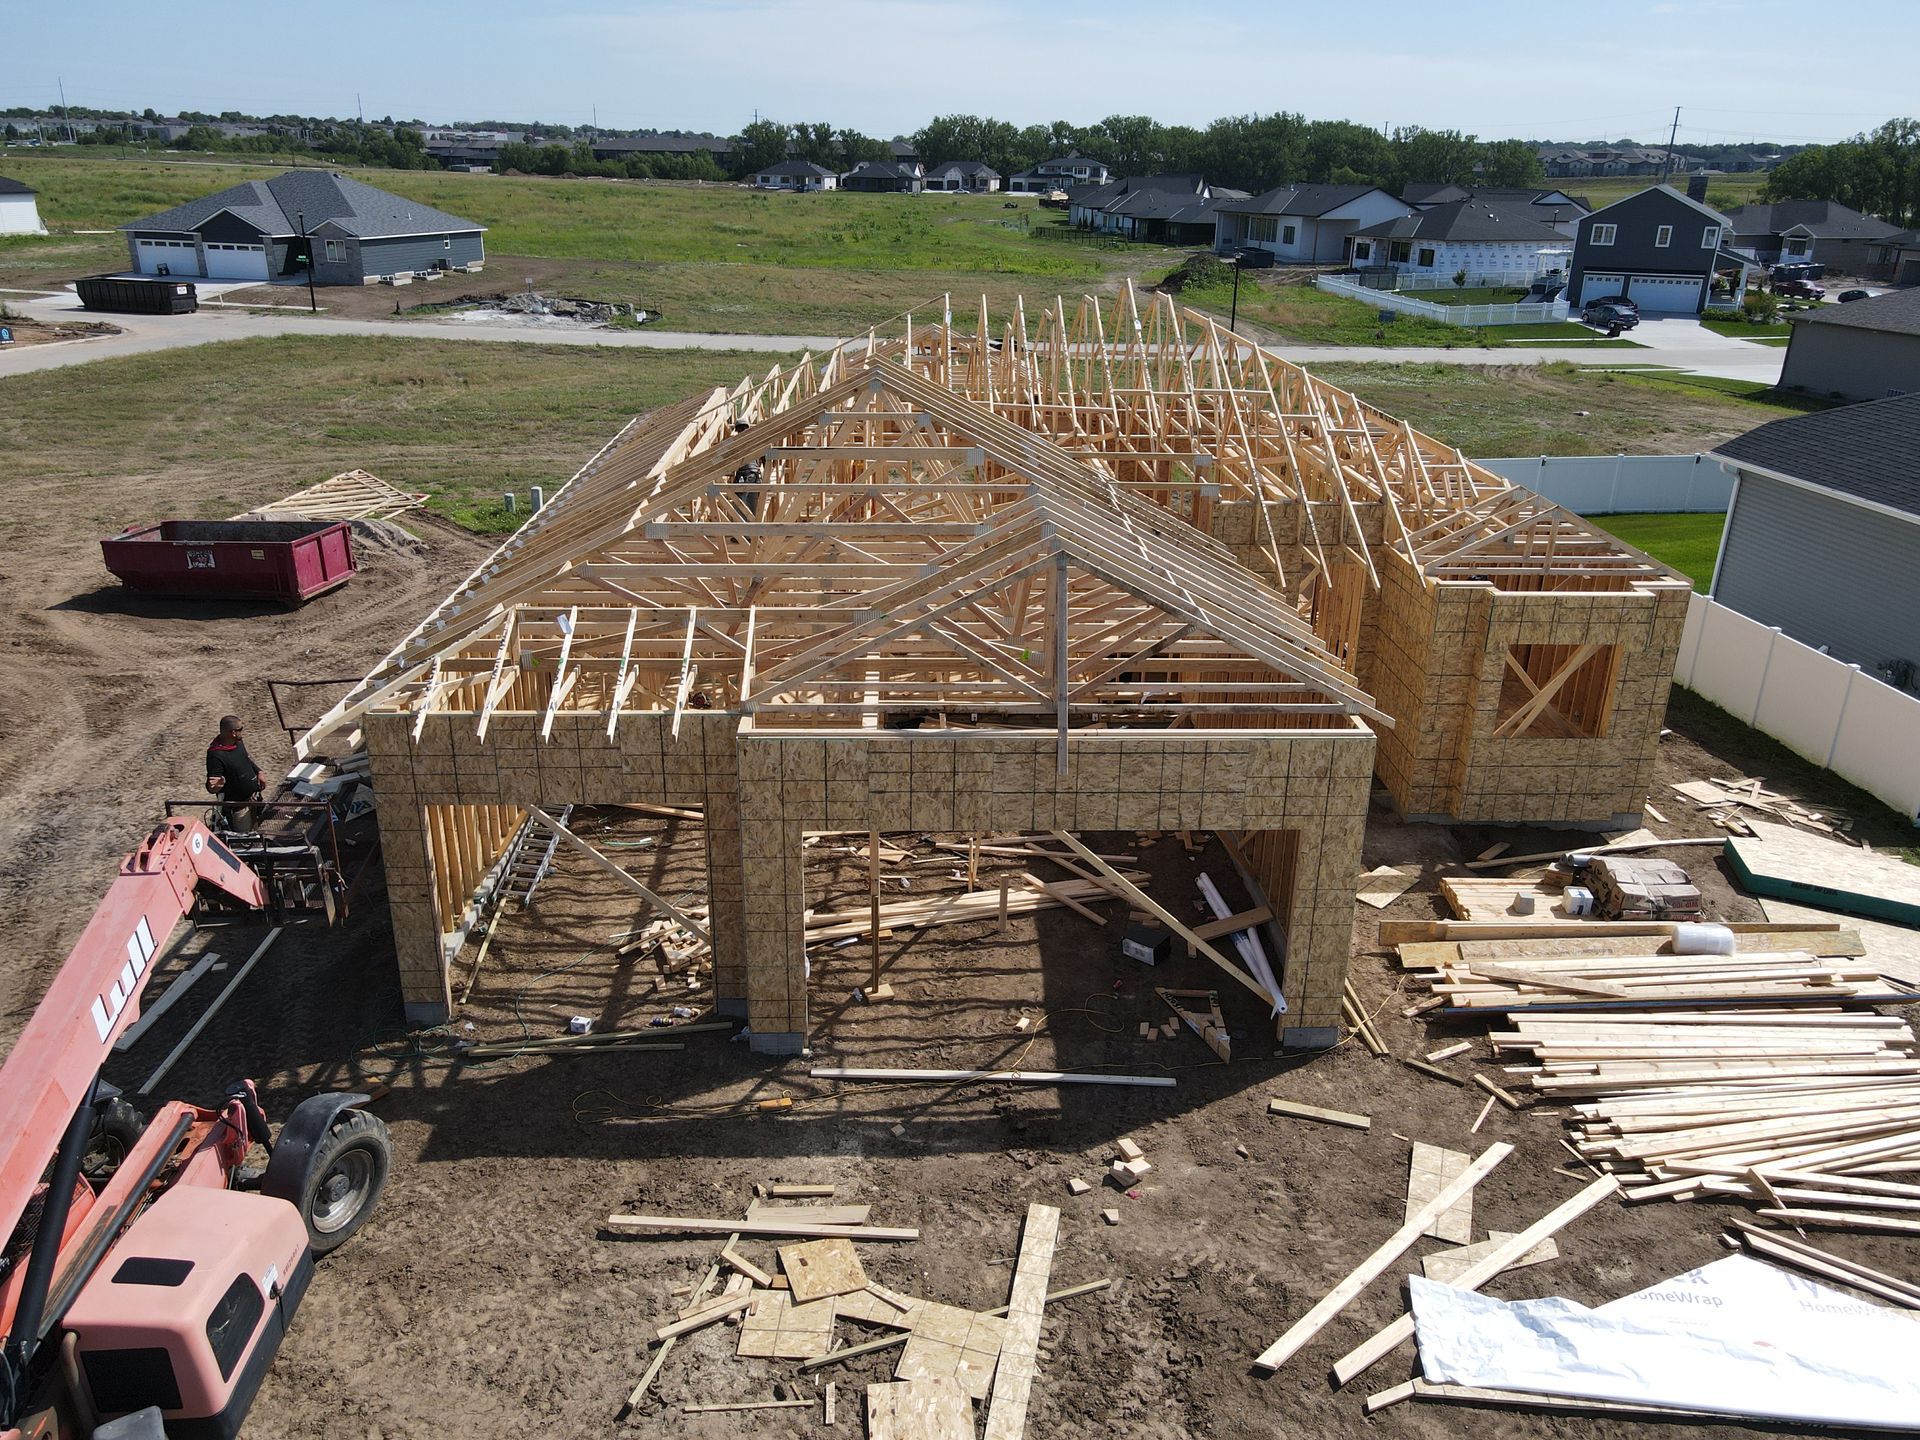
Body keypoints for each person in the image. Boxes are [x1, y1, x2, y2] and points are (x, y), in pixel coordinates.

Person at [205, 715, 267, 830]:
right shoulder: (216, 755)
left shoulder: (237, 742)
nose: (242, 733)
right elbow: (212, 785)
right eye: (241, 729)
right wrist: (216, 786)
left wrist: (259, 771)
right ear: (233, 732)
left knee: (256, 832)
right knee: (243, 842)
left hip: (253, 799)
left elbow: (246, 759)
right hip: (239, 809)